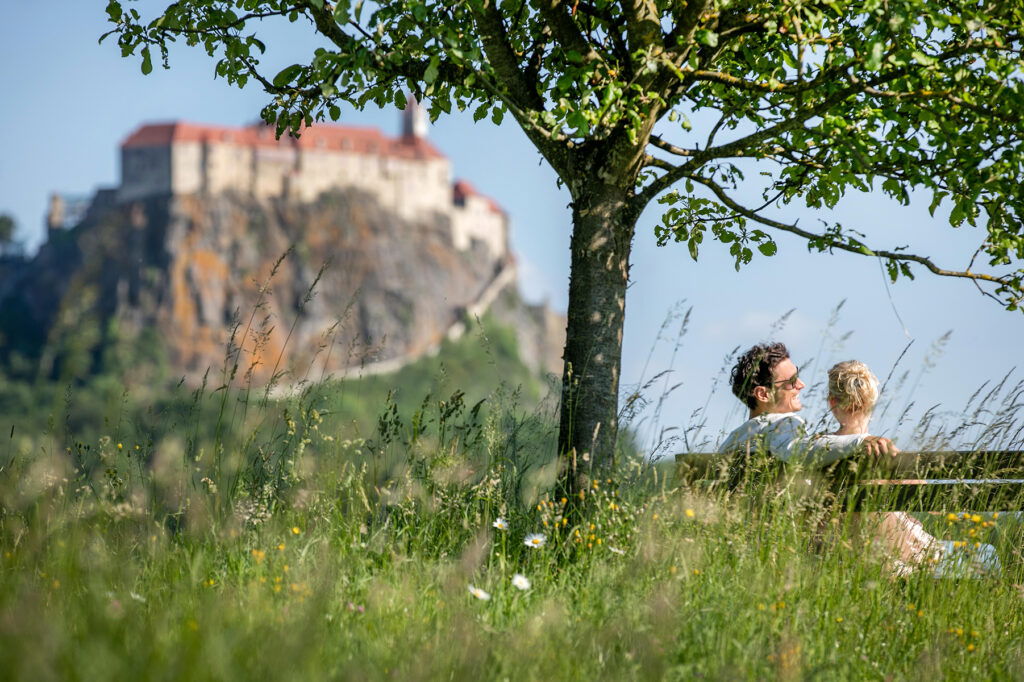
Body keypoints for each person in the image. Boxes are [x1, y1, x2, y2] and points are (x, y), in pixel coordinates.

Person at [827, 360, 1001, 577]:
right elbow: (931, 503)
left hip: (843, 555)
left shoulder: (818, 453)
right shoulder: (886, 452)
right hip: (902, 552)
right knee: (986, 553)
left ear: (832, 402)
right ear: (872, 404)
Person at [720, 343, 896, 464]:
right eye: (792, 381)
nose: (801, 384)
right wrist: (861, 441)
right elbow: (796, 450)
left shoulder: (731, 442)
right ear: (763, 394)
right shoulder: (782, 423)